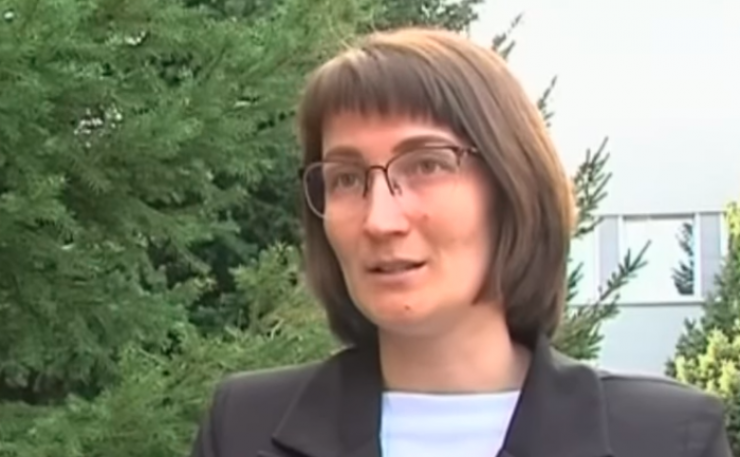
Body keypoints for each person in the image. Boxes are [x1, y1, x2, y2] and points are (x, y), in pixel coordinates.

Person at [189, 27, 731, 457]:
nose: (380, 220)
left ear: (512, 186)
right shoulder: (245, 428)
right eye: (347, 178)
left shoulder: (665, 438)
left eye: (426, 165)